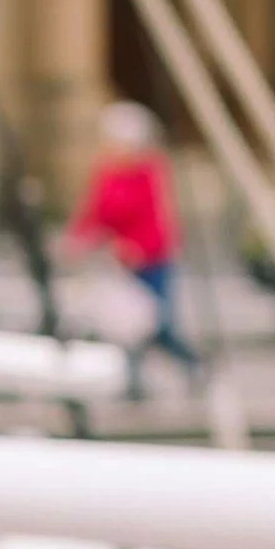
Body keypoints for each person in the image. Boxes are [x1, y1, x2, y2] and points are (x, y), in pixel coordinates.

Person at [69, 96, 200, 386]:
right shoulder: (107, 174)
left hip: (153, 260)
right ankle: (132, 383)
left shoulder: (150, 172)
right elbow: (96, 214)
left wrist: (139, 246)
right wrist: (77, 240)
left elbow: (158, 219)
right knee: (126, 326)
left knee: (159, 324)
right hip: (121, 262)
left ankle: (194, 366)